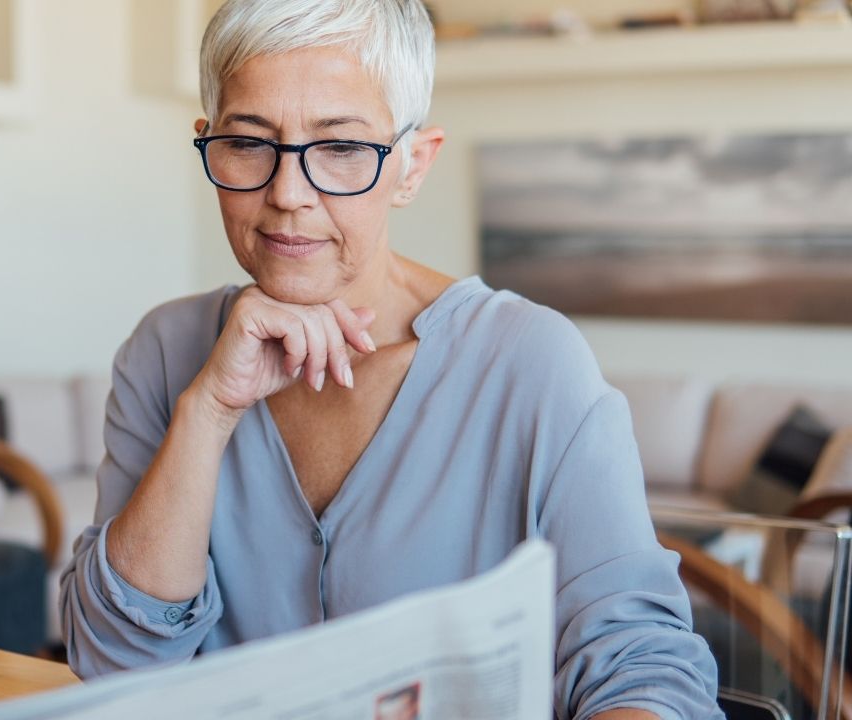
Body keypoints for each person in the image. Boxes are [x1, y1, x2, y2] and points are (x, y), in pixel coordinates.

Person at [60, 1, 722, 717]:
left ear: (411, 166)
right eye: (249, 144)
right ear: (209, 147)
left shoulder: (530, 362)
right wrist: (210, 410)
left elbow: (642, 667)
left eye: (341, 148)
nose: (287, 195)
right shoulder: (164, 353)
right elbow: (112, 662)